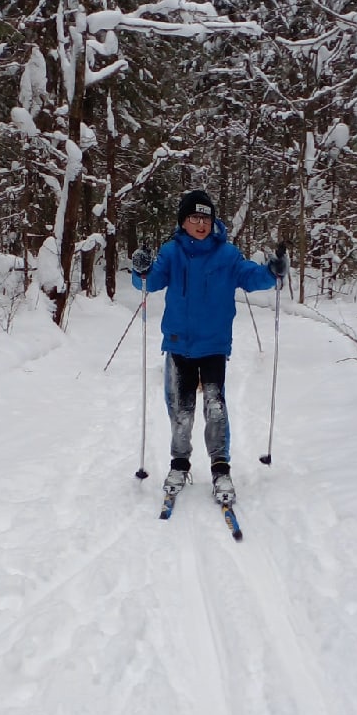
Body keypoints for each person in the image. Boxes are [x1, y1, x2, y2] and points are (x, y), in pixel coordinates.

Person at [131, 188, 288, 504]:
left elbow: (252, 277)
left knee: (215, 408)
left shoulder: (227, 255)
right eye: (194, 217)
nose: (201, 224)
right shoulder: (172, 252)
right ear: (183, 222)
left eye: (206, 217)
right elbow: (149, 281)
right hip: (178, 343)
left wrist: (272, 272)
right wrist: (141, 268)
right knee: (181, 412)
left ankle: (220, 467)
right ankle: (179, 464)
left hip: (214, 344)